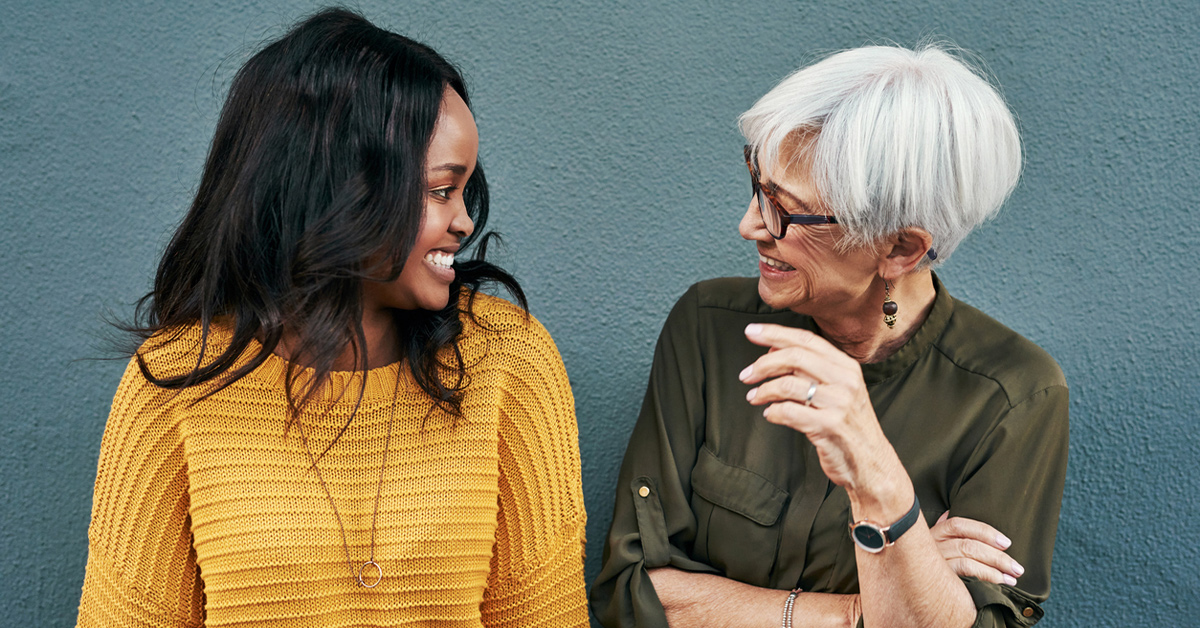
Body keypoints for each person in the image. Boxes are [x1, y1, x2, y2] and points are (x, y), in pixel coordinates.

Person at [76, 9, 587, 627]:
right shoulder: (176, 382)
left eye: (463, 189)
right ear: (340, 188)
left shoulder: (506, 359)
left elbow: (545, 614)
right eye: (438, 190)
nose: (464, 221)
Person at [590, 44, 1068, 628]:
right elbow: (635, 596)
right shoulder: (709, 328)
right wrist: (863, 607)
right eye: (757, 186)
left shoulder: (1011, 398)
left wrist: (879, 479)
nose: (750, 226)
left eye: (785, 211)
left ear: (900, 249)